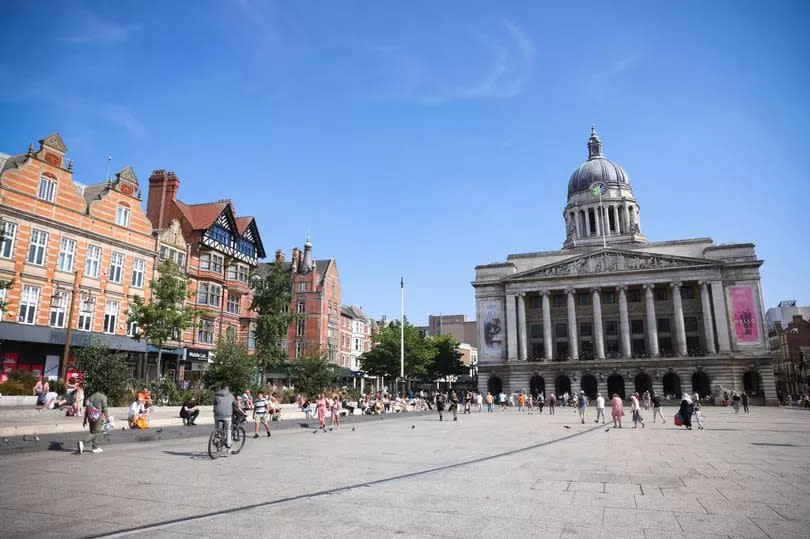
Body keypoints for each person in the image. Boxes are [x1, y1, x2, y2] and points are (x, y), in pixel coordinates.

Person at [79, 389, 110, 454]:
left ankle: (95, 447)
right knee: (95, 432)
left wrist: (85, 420)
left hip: (90, 417)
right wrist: (107, 418)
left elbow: (87, 410)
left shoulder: (90, 397)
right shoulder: (103, 397)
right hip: (98, 418)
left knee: (94, 432)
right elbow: (105, 409)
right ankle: (83, 442)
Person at [213, 385, 236, 453]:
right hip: (227, 415)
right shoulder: (231, 396)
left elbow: (214, 405)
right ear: (228, 390)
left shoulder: (217, 395)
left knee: (217, 429)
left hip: (217, 415)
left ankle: (217, 441)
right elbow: (236, 404)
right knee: (228, 430)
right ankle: (228, 447)